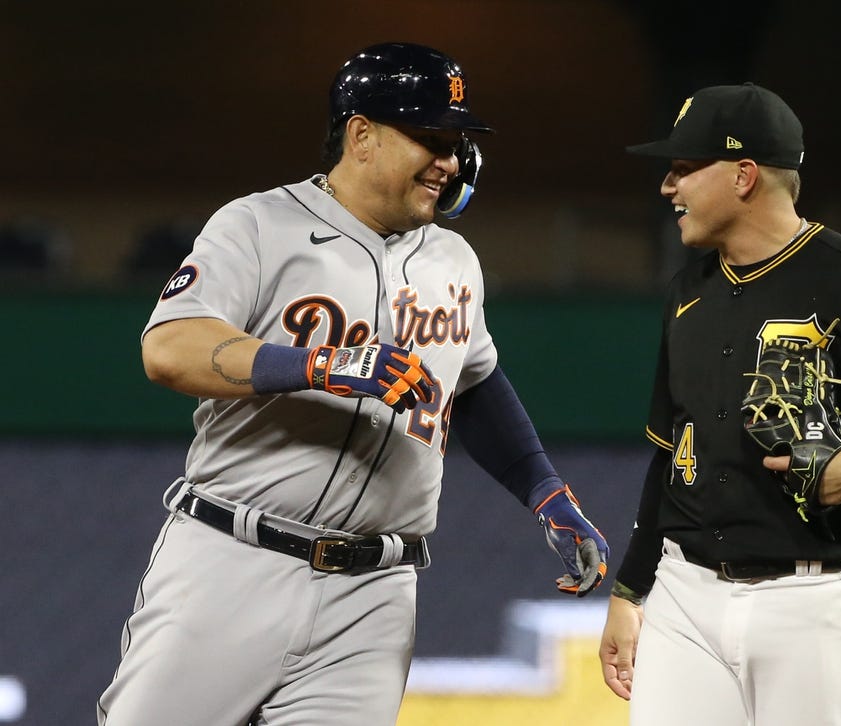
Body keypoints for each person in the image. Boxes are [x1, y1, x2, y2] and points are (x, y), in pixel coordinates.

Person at [97, 42, 608, 726]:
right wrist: (325, 366)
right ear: (361, 135)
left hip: (374, 596)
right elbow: (169, 348)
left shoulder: (454, 259)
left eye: (456, 142)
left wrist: (546, 491)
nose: (449, 161)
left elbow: (474, 382)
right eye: (429, 137)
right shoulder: (258, 225)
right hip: (233, 564)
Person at [598, 84, 841, 725]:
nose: (669, 187)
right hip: (684, 595)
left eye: (684, 168)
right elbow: (672, 452)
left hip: (814, 599)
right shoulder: (687, 290)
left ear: (745, 174)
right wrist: (631, 588)